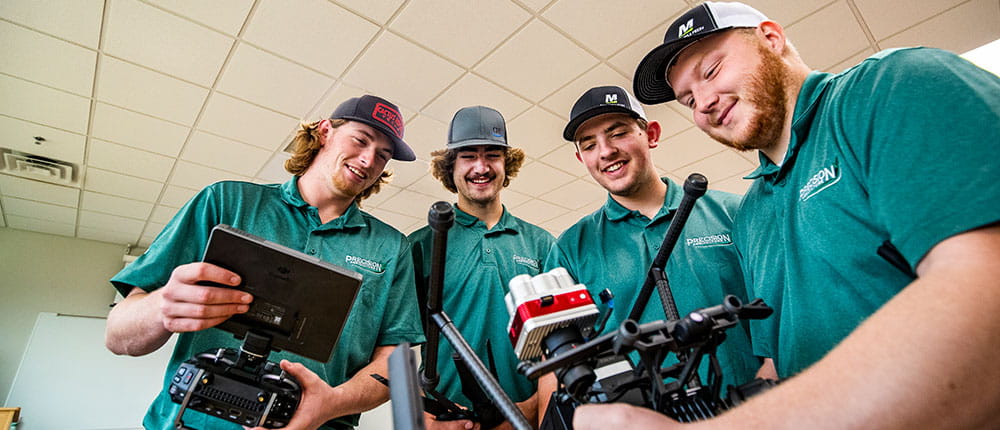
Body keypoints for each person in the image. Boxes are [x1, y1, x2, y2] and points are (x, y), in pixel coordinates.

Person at [572, 1, 1000, 428]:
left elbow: (986, 300)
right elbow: (776, 363)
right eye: (687, 99)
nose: (702, 102)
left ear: (771, 39)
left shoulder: (889, 88)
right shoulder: (752, 213)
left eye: (711, 71)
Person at [105, 95, 427, 430]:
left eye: (383, 156)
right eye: (361, 140)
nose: (368, 159)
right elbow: (118, 336)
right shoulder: (227, 203)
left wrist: (332, 404)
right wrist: (162, 306)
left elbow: (395, 361)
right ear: (325, 131)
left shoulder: (392, 247)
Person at [540, 85, 769, 421]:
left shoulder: (733, 212)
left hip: (750, 415)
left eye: (618, 133)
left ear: (651, 134)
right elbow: (557, 364)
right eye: (589, 145)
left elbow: (780, 313)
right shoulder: (570, 249)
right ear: (581, 159)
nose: (605, 151)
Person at [409, 105, 555, 430]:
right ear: (451, 167)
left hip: (529, 418)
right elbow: (394, 346)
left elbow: (559, 344)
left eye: (492, 155)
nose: (481, 166)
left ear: (507, 164)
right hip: (449, 420)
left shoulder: (542, 244)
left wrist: (532, 408)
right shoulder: (420, 246)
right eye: (468, 156)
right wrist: (423, 420)